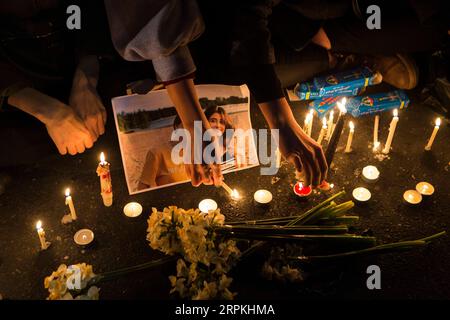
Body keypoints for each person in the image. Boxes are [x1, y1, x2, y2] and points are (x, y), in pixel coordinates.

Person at [105, 0, 328, 189]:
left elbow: (255, 14)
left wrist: (282, 121)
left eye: (218, 123)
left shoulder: (230, 148)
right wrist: (195, 125)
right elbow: (155, 26)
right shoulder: (160, 152)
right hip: (201, 36)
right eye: (213, 121)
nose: (217, 127)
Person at [0, 1, 109, 160]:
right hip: (17, 111)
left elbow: (81, 12)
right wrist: (45, 109)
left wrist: (85, 76)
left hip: (86, 83)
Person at [137, 105, 238, 190]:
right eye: (187, 127)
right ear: (176, 126)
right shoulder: (157, 153)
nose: (191, 132)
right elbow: (143, 187)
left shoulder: (206, 152)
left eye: (195, 128)